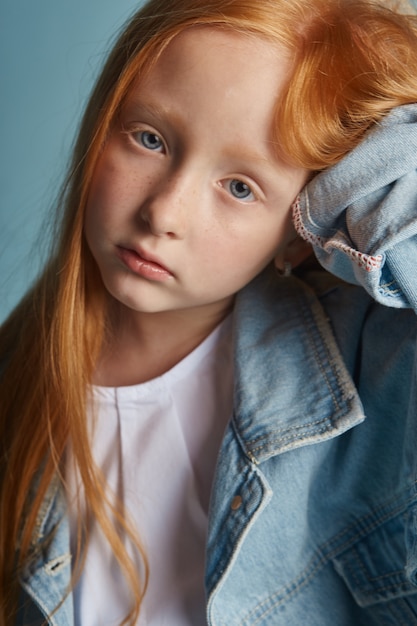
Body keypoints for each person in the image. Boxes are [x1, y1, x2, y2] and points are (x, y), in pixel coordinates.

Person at [1, 0, 417, 623]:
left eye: (240, 186)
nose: (163, 215)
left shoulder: (375, 368)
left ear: (302, 222)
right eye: (150, 139)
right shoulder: (20, 370)